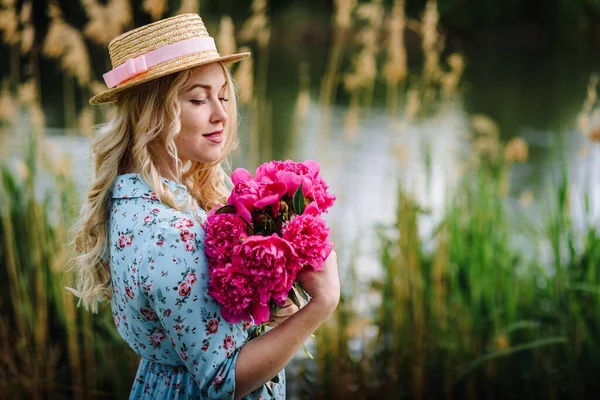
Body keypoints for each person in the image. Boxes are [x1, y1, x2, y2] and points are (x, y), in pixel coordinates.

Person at [67, 13, 340, 400]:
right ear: (151, 113)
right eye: (198, 98)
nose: (221, 114)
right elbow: (223, 382)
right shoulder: (171, 233)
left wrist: (269, 296)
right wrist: (321, 304)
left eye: (223, 95)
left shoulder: (132, 199)